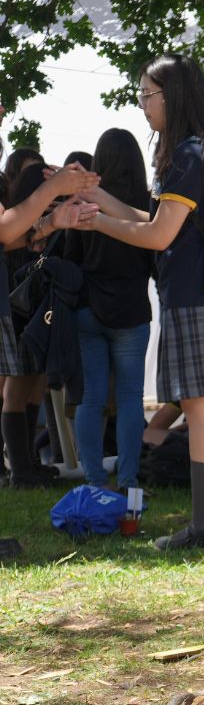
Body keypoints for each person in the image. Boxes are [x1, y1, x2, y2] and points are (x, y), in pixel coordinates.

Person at [46, 52, 204, 549]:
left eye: (146, 96)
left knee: (203, 412)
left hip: (193, 298)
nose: (141, 105)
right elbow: (157, 218)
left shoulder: (186, 154)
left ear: (172, 96)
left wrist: (95, 221)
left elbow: (159, 236)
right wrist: (98, 196)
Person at [64, 128, 154, 491]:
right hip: (132, 309)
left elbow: (71, 259)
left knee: (91, 398)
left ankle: (95, 481)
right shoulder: (147, 205)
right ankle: (130, 480)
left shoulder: (82, 203)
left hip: (88, 309)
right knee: (131, 398)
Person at [1, 153, 97, 486]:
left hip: (38, 314)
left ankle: (25, 465)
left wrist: (49, 223)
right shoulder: (21, 212)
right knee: (18, 386)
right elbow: (8, 235)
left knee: (34, 384)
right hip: (20, 315)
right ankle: (20, 470)